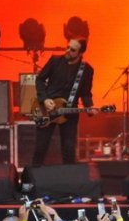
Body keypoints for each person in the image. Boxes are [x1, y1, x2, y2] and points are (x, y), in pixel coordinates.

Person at [33, 37, 96, 166]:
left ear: (80, 53)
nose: (67, 51)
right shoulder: (55, 61)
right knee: (40, 147)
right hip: (48, 109)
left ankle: (69, 177)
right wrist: (44, 99)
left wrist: (89, 107)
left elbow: (85, 93)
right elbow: (40, 79)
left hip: (69, 113)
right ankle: (33, 176)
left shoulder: (86, 70)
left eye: (72, 50)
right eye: (67, 47)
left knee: (69, 149)